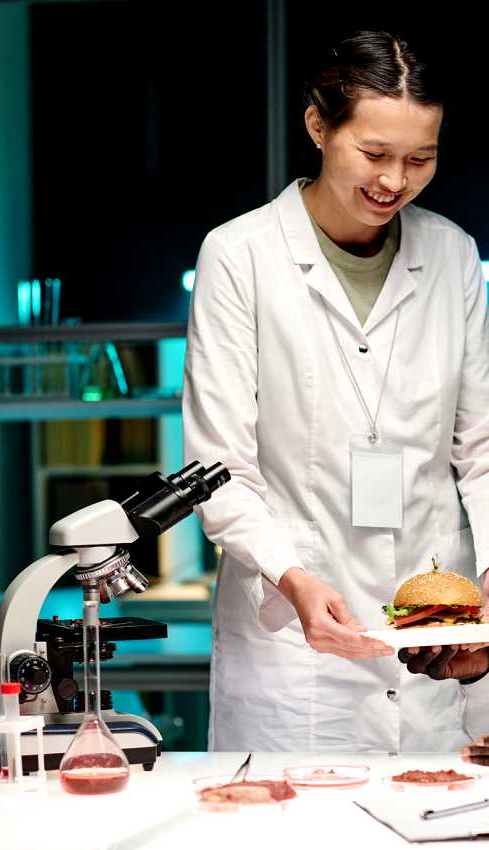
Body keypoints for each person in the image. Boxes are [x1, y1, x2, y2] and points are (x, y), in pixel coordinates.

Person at [182, 30, 489, 753]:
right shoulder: (240, 255)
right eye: (375, 154)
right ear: (319, 126)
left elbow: (481, 449)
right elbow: (221, 469)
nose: (396, 181)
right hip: (294, 652)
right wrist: (292, 578)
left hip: (432, 643)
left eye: (422, 158)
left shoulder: (451, 255)